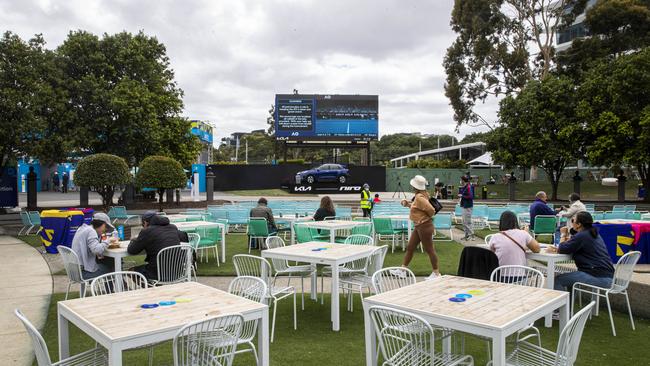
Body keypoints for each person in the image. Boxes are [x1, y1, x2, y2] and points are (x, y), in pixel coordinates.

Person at [547, 212, 614, 291]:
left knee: (557, 280)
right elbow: (571, 246)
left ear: (579, 224)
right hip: (607, 275)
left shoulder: (582, 235)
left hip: (598, 277)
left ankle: (561, 303)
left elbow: (562, 249)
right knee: (571, 279)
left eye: (573, 221)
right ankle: (569, 302)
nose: (572, 223)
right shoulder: (593, 233)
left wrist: (563, 234)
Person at [397, 175, 440, 280]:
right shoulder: (421, 195)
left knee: (429, 249)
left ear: (415, 187)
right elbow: (419, 208)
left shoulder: (420, 197)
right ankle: (403, 270)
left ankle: (436, 273)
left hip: (424, 225)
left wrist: (426, 217)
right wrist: (408, 204)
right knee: (410, 247)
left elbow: (431, 210)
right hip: (420, 226)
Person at [128, 211, 189, 281]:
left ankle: (152, 289)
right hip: (177, 271)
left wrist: (133, 240)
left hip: (157, 273)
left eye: (143, 224)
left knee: (131, 271)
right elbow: (184, 237)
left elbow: (132, 250)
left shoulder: (146, 231)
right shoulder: (172, 227)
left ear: (145, 222)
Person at [70, 213, 115, 279]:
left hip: (73, 271)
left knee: (107, 264)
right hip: (82, 273)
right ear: (103, 224)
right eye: (106, 227)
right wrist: (108, 240)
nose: (105, 230)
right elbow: (96, 250)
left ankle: (114, 288)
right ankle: (114, 288)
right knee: (111, 268)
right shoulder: (91, 231)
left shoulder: (83, 228)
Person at [458, 176, 474, 240]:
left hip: (468, 206)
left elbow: (470, 196)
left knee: (467, 221)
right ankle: (466, 235)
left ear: (463, 180)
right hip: (464, 206)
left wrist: (462, 196)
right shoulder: (465, 187)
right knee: (464, 221)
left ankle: (472, 235)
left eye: (461, 180)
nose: (460, 181)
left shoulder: (468, 187)